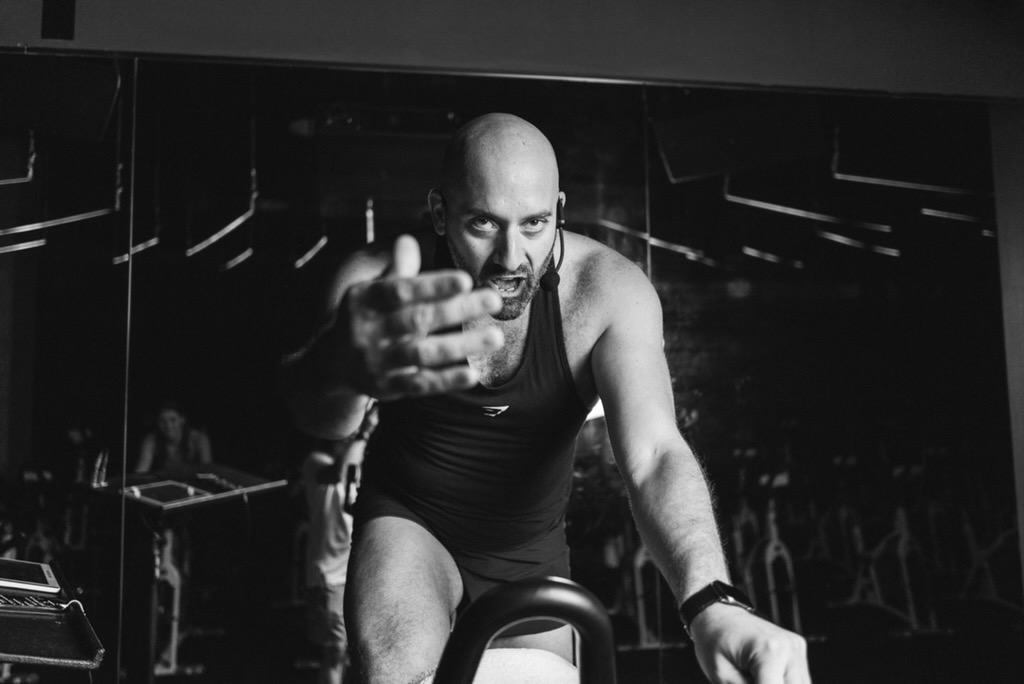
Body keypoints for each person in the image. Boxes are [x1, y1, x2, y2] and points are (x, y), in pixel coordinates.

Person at [281, 113, 810, 684]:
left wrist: (712, 603)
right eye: (483, 223)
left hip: (529, 543)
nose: (511, 257)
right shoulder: (375, 285)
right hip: (410, 521)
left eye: (534, 223)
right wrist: (339, 370)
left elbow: (656, 453)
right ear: (439, 212)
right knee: (399, 673)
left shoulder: (608, 291)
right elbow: (324, 423)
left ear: (558, 209)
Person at [302, 401, 378, 684]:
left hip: (356, 574)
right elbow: (336, 473)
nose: (349, 438)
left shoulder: (359, 465)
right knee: (334, 653)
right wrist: (364, 433)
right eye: (346, 434)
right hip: (328, 576)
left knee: (354, 655)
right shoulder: (314, 463)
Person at [135, 400, 213, 473]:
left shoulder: (199, 439)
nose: (168, 426)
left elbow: (208, 473)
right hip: (164, 482)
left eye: (173, 420)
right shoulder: (151, 440)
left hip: (192, 481)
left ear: (182, 420)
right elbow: (141, 473)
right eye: (162, 421)